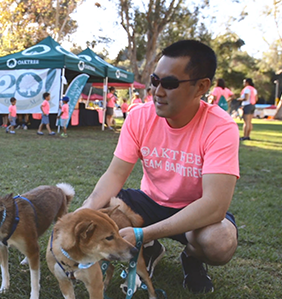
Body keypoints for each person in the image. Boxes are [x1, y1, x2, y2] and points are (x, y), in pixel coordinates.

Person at [80, 40, 239, 294]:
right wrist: (84, 212)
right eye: (155, 81)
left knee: (219, 242)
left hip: (194, 210)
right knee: (107, 210)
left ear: (201, 87)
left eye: (170, 84)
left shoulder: (221, 127)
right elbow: (115, 175)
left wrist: (142, 233)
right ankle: (151, 249)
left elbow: (215, 205)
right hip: (149, 201)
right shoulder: (139, 116)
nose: (157, 91)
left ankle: (190, 257)